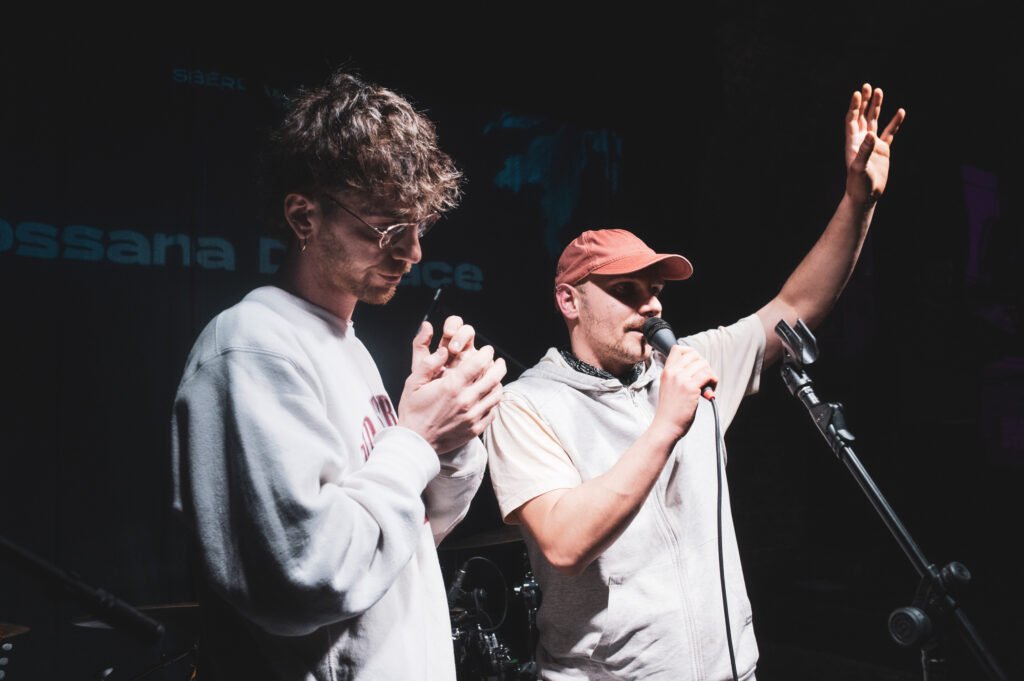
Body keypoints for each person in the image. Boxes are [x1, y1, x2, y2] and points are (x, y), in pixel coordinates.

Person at [484, 83, 905, 680]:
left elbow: (795, 307)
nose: (652, 304)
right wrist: (665, 427)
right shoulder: (527, 405)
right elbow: (564, 543)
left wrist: (858, 202)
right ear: (569, 301)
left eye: (655, 289)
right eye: (627, 291)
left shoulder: (685, 364)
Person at [170, 68, 507, 681]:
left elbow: (408, 538)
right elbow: (307, 576)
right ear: (304, 217)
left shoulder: (348, 347)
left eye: (419, 227)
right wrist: (416, 438)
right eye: (387, 227)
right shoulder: (251, 347)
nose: (413, 252)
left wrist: (447, 434)